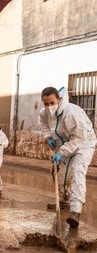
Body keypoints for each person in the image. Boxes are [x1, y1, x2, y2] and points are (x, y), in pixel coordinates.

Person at [39, 86, 96, 228]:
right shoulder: (43, 113)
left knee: (77, 171)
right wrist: (48, 137)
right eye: (46, 104)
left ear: (58, 99)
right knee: (58, 172)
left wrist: (62, 152)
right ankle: (63, 200)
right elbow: (44, 125)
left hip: (83, 143)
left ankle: (75, 212)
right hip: (64, 144)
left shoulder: (71, 112)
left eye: (52, 103)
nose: (49, 106)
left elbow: (78, 137)